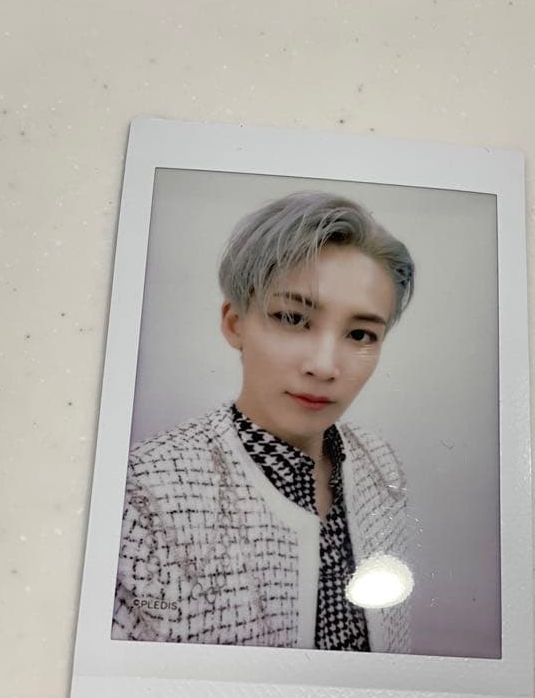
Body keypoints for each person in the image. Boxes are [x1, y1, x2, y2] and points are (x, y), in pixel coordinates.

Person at [112, 191, 415, 652]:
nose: (324, 366)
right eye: (293, 318)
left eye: (360, 334)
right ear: (235, 323)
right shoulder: (144, 495)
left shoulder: (380, 464)